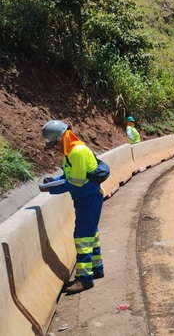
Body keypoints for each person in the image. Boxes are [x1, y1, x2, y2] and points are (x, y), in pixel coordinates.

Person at [40, 120, 105, 295]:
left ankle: (84, 279)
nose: (54, 149)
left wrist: (51, 189)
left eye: (55, 144)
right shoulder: (70, 151)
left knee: (82, 236)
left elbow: (75, 183)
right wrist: (52, 181)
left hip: (88, 198)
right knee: (91, 233)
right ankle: (97, 268)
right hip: (85, 197)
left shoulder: (77, 152)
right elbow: (69, 175)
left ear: (61, 138)